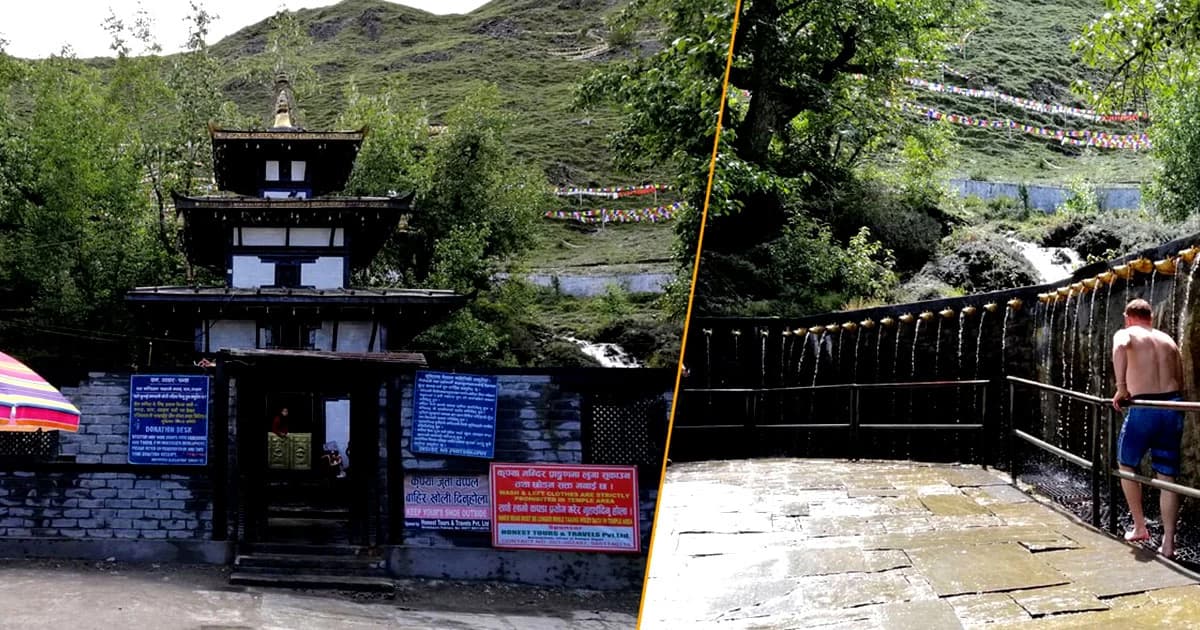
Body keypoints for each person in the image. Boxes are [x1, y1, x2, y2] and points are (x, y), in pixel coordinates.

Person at [1111, 298, 1185, 558]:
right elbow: (1181, 377)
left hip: (1144, 407)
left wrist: (1121, 388)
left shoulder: (1126, 333)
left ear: (1127, 317)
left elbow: (1120, 346)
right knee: (1167, 476)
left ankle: (1140, 527)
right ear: (1150, 317)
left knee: (1127, 465)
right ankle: (1168, 543)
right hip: (1174, 407)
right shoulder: (1168, 340)